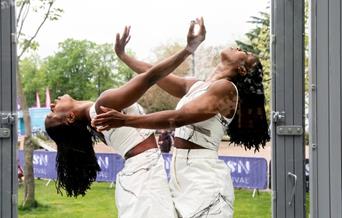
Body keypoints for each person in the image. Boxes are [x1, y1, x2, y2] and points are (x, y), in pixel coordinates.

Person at [91, 35, 270, 217]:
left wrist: (125, 120)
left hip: (204, 178)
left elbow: (179, 118)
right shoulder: (197, 86)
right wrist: (123, 55)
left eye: (245, 54)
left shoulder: (227, 89)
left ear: (241, 69)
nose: (239, 48)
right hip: (182, 176)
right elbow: (153, 74)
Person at [44, 18, 206, 218]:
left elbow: (149, 75)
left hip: (139, 179)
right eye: (52, 112)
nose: (52, 104)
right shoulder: (103, 105)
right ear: (69, 117)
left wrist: (123, 56)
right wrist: (189, 49)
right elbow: (150, 77)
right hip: (143, 181)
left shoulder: (97, 119)